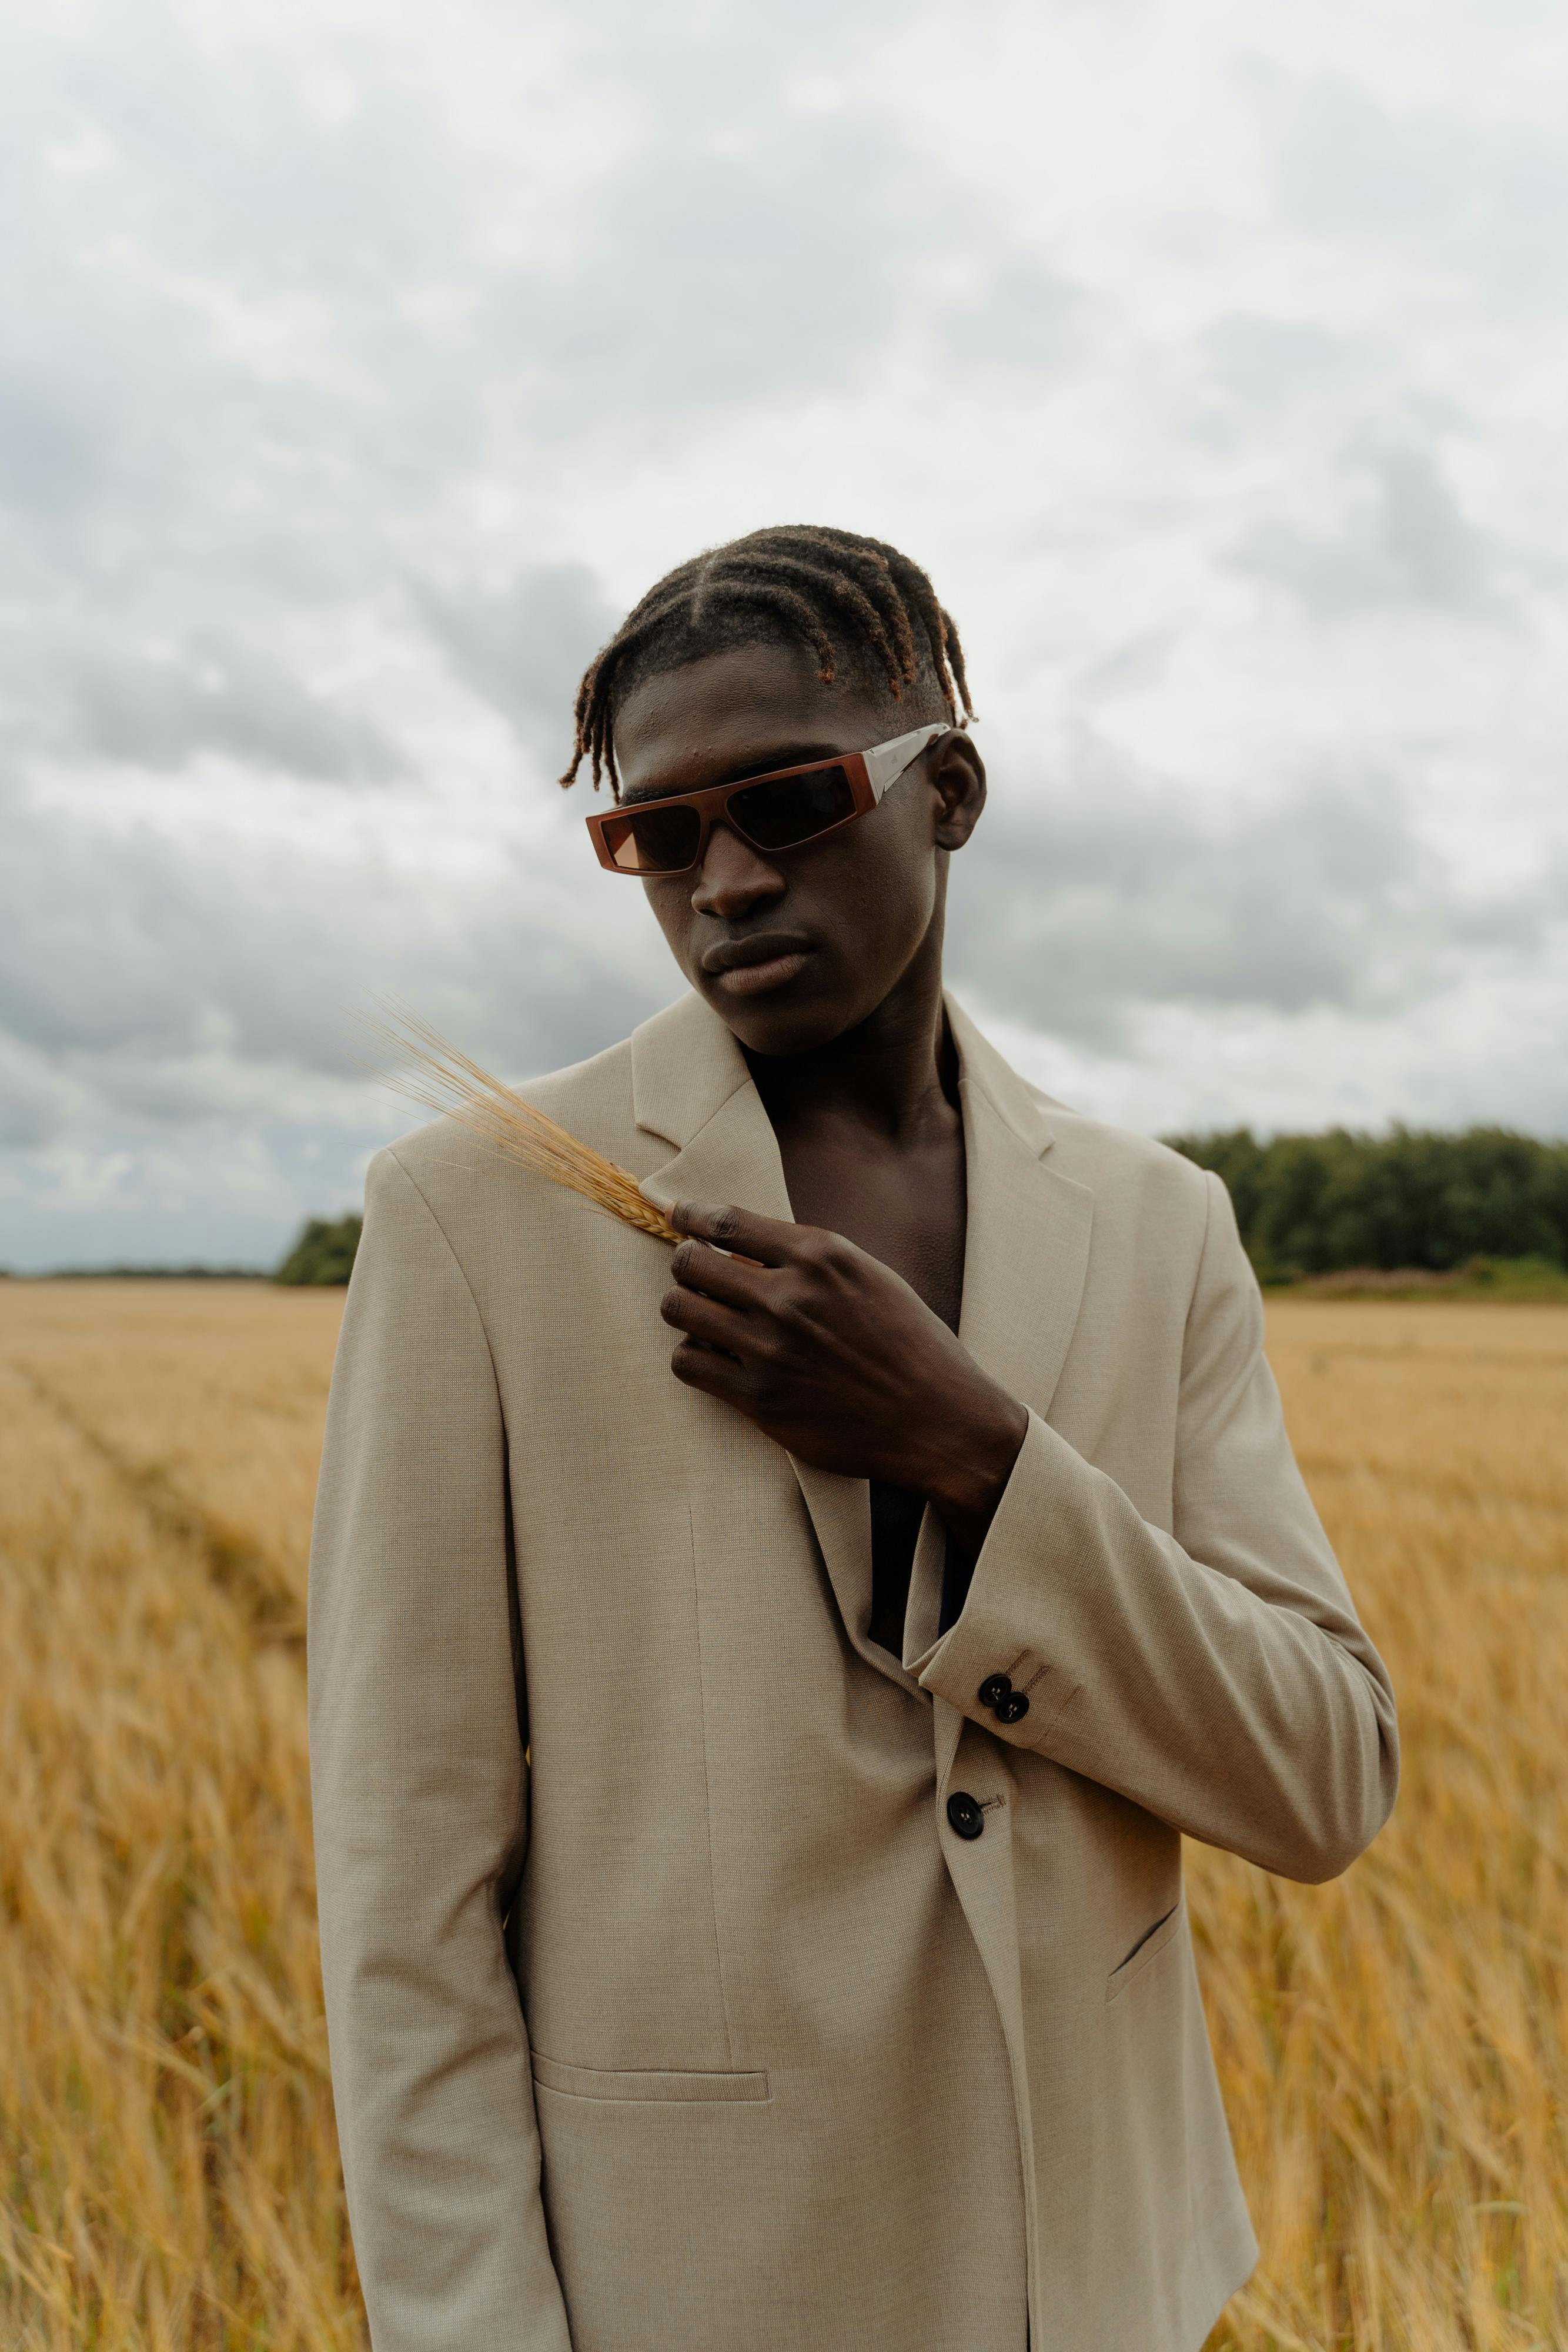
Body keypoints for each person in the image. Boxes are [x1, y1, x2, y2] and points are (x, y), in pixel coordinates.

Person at [308, 523, 1398, 2352]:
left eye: (788, 802)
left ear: (945, 790)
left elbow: (1320, 1779)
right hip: (710, 2286)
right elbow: (404, 1887)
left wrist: (978, 1453)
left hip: (1101, 2279)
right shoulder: (470, 1220)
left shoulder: (1158, 1224)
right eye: (657, 835)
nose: (723, 878)